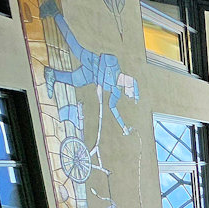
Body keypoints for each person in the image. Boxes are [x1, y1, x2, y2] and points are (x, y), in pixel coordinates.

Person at [40, 0, 139, 135]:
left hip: (90, 76)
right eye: (132, 94)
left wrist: (124, 127)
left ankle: (52, 74)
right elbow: (103, 58)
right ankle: (53, 10)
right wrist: (100, 85)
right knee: (72, 43)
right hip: (91, 61)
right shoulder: (115, 63)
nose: (129, 96)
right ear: (130, 85)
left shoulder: (116, 91)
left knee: (75, 81)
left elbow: (113, 107)